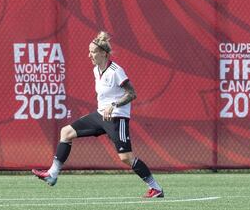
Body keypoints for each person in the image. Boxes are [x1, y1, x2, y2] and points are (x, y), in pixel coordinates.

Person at [32, 31, 164, 198]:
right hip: (100, 115)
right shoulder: (96, 70)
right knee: (66, 132)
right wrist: (105, 107)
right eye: (89, 51)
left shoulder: (116, 70)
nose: (89, 55)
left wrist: (114, 105)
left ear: (103, 53)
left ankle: (156, 188)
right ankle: (52, 174)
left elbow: (132, 93)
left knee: (126, 157)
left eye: (93, 52)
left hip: (117, 117)